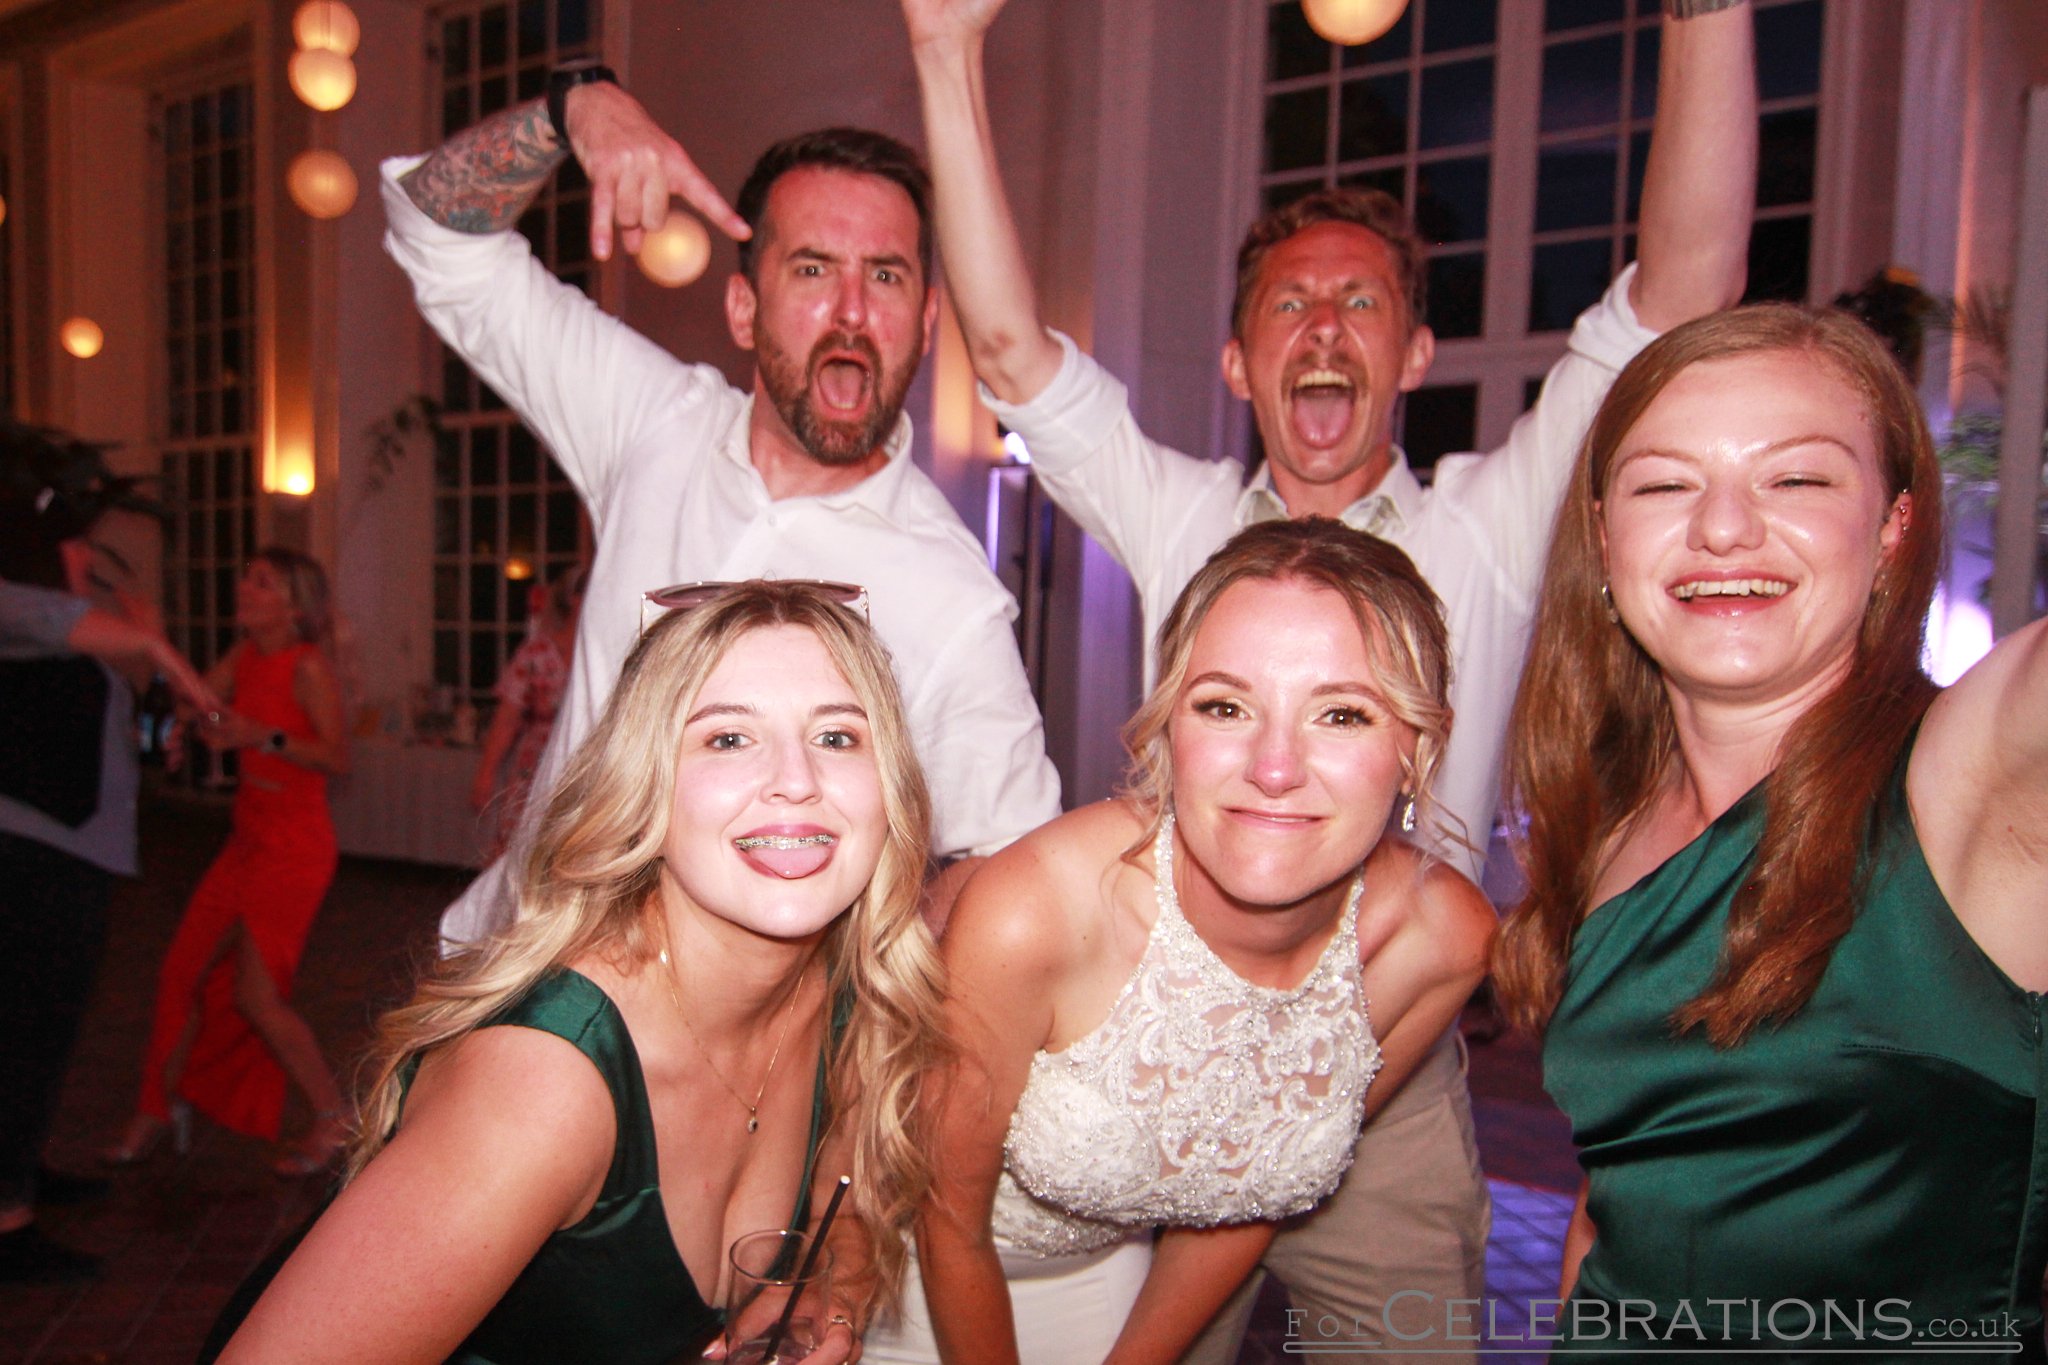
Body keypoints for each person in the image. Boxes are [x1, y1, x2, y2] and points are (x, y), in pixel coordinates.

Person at [902, 0, 1758, 1356]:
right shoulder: (1183, 518)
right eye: (1288, 303)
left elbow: (1683, 292)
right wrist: (945, 52)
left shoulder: (1486, 526)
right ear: (1240, 362)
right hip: (1150, 1037)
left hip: (1390, 1044)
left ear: (1412, 355)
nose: (1325, 324)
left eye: (1363, 301)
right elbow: (1010, 355)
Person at [382, 65, 1061, 949]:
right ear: (744, 306)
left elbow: (1016, 874)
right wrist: (569, 107)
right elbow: (435, 233)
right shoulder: (653, 420)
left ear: (927, 322)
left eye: (886, 277)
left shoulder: (951, 596)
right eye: (813, 268)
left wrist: (851, 991)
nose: (852, 311)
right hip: (505, 973)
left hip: (721, 1070)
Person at [1492, 304, 2047, 1357]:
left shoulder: (1970, 779)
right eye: (1665, 484)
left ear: (1889, 527)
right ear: (1602, 538)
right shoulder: (1605, 822)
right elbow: (1620, 1197)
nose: (1722, 529)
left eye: (1794, 479)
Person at [210, 581, 947, 1364]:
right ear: (644, 785)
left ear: (889, 786)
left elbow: (851, 1194)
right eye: (728, 738)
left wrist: (826, 1287)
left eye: (837, 737)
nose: (796, 779)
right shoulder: (543, 1084)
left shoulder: (847, 989)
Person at [860, 519, 1495, 1365]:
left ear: (1417, 749)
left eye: (1342, 714)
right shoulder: (1035, 914)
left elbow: (1256, 1192)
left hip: (1100, 1277)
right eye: (1225, 706)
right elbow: (947, 1214)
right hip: (909, 1268)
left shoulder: (1441, 941)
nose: (1274, 767)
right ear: (1167, 730)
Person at [0, 419, 220, 1283]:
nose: (89, 563)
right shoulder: (26, 612)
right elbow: (42, 617)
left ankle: (22, 1168)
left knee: (47, 1029)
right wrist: (157, 644)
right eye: (79, 547)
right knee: (19, 1030)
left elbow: (91, 717)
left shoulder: (69, 632)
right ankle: (7, 1219)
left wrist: (149, 732)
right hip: (26, 855)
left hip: (77, 852)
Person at [106, 548, 354, 1177]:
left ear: (293, 606)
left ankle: (334, 1119)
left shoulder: (306, 667)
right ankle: (154, 1111)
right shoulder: (245, 656)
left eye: (261, 582)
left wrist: (259, 736)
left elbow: (336, 758)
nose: (244, 588)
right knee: (179, 973)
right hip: (246, 839)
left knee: (257, 997)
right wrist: (184, 712)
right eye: (245, 576)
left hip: (295, 847)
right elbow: (196, 699)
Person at [471, 565, 587, 859]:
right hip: (536, 763)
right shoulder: (536, 652)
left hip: (587, 760)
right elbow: (507, 718)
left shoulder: (606, 652)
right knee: (521, 847)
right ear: (574, 599)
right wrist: (486, 773)